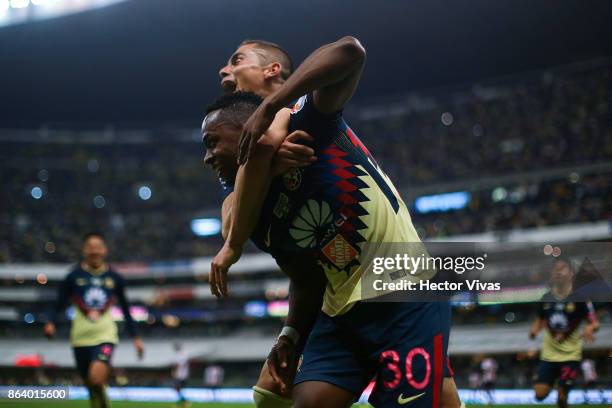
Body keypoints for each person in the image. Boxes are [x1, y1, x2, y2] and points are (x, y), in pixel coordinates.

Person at [205, 36, 461, 408]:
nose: (223, 70)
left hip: (403, 287)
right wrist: (290, 334)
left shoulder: (310, 117)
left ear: (272, 71)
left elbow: (350, 52)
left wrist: (271, 108)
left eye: (236, 60)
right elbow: (302, 274)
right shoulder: (253, 202)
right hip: (341, 309)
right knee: (284, 397)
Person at [44, 232, 144, 408]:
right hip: (80, 338)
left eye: (98, 247)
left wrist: (136, 338)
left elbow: (127, 311)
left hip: (106, 337)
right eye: (90, 247)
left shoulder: (115, 278)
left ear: (104, 250)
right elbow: (58, 303)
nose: (94, 250)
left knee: (96, 379)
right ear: (84, 250)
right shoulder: (73, 276)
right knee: (91, 386)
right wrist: (51, 322)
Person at [529, 258, 599, 408]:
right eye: (556, 268)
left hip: (570, 356)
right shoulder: (546, 298)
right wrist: (533, 332)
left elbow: (594, 322)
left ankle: (562, 386)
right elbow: (539, 320)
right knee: (539, 395)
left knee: (562, 398)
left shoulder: (580, 298)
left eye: (562, 268)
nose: (558, 271)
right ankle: (552, 380)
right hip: (548, 356)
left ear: (572, 273)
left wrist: (589, 328)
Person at [172, 343, 190, 407]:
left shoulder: (180, 355)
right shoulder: (183, 354)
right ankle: (183, 401)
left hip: (180, 375)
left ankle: (184, 401)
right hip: (182, 374)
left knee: (176, 387)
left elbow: (178, 365)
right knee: (177, 388)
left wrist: (174, 372)